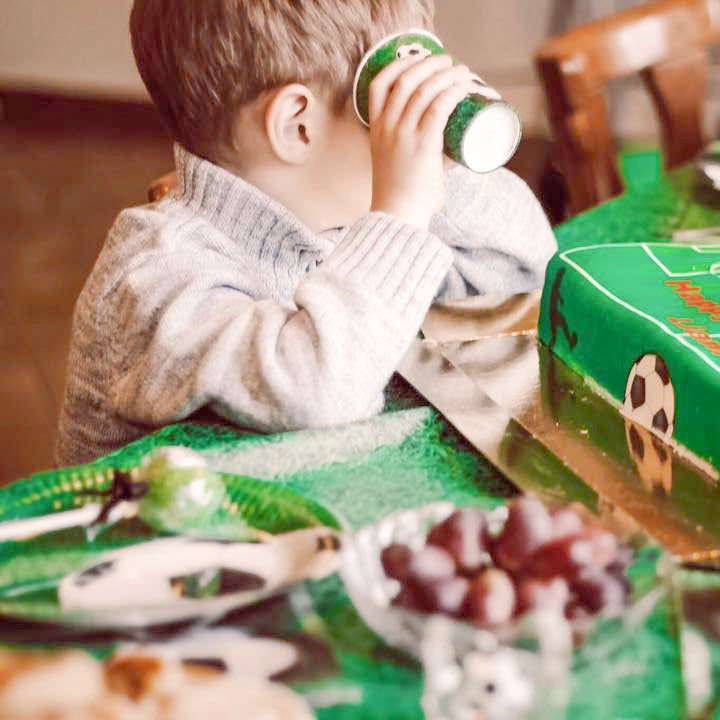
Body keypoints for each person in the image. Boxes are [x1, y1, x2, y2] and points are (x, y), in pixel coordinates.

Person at [56, 0, 556, 466]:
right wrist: (404, 208)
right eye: (391, 103)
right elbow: (317, 391)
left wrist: (440, 167)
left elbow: (522, 274)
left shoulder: (342, 217)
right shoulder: (157, 274)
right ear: (297, 126)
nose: (417, 114)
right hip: (139, 551)